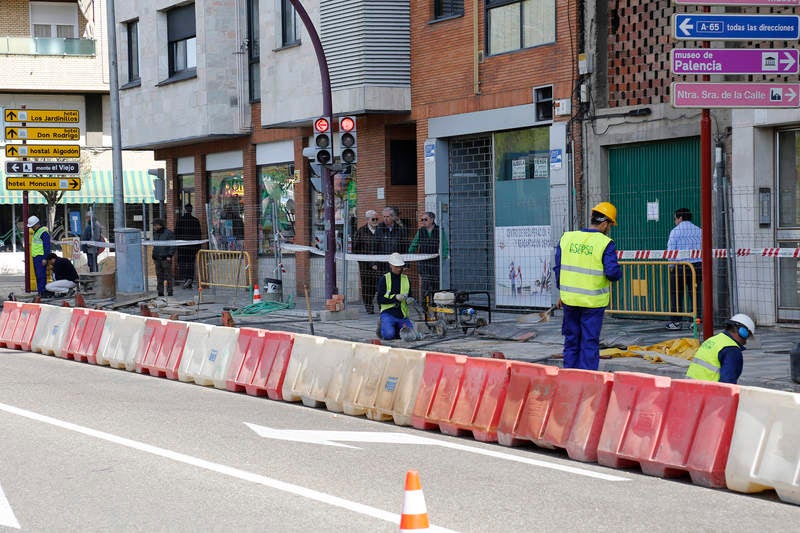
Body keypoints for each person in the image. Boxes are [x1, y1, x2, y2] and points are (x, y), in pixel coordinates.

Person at [553, 202, 622, 371]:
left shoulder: (567, 238)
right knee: (589, 342)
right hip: (592, 304)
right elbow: (612, 273)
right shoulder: (605, 243)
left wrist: (562, 293)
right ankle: (588, 380)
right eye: (610, 225)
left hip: (570, 301)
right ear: (605, 224)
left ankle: (570, 376)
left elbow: (558, 269)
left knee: (571, 341)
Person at [686, 313, 755, 384]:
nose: (746, 341)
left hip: (689, 388)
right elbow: (728, 383)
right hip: (708, 391)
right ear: (742, 332)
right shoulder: (732, 349)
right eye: (748, 336)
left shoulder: (713, 340)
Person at [666, 207, 702, 330]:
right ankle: (695, 321)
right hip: (697, 266)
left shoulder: (675, 231)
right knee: (695, 294)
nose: (675, 221)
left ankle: (676, 322)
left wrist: (671, 266)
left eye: (675, 218)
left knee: (676, 294)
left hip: (680, 267)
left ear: (680, 218)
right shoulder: (699, 231)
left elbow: (671, 251)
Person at [408, 211, 448, 301]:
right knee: (425, 283)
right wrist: (410, 253)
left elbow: (444, 244)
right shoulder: (421, 231)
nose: (423, 221)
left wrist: (444, 256)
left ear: (432, 219)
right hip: (424, 262)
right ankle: (424, 304)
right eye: (422, 220)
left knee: (435, 283)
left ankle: (435, 302)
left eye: (425, 219)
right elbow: (414, 243)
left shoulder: (439, 230)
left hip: (435, 262)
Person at [376, 252, 415, 340]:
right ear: (391, 265)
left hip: (402, 315)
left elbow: (410, 295)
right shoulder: (384, 279)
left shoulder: (406, 279)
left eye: (400, 267)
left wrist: (410, 299)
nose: (399, 269)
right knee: (389, 335)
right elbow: (380, 299)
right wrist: (395, 298)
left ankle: (396, 328)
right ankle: (383, 326)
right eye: (396, 267)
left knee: (410, 336)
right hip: (388, 313)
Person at [353, 209, 381, 313]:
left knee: (380, 285)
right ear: (368, 220)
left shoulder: (381, 230)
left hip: (379, 263)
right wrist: (363, 261)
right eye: (373, 219)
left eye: (376, 219)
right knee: (367, 286)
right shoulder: (361, 231)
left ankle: (381, 306)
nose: (375, 221)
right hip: (365, 264)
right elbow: (356, 248)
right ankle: (369, 306)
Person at [175, 204, 203, 289]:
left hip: (182, 246)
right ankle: (189, 278)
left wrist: (177, 244)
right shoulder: (195, 221)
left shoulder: (180, 220)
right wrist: (198, 246)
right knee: (191, 263)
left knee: (182, 263)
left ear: (184, 210)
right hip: (192, 246)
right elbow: (199, 234)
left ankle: (185, 279)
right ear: (191, 210)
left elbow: (176, 233)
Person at [27, 215, 51, 296]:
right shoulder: (37, 232)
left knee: (41, 275)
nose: (31, 228)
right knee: (38, 275)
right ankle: (40, 291)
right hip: (36, 257)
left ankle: (42, 291)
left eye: (32, 226)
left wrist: (45, 258)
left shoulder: (43, 232)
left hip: (41, 257)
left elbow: (47, 247)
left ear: (36, 224)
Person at [152, 219, 176, 297]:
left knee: (168, 276)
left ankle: (169, 292)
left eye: (155, 225)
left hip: (166, 258)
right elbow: (155, 245)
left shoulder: (168, 233)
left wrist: (170, 255)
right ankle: (160, 292)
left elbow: (172, 245)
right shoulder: (155, 234)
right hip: (157, 258)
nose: (154, 227)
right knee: (159, 276)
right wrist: (154, 255)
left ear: (159, 225)